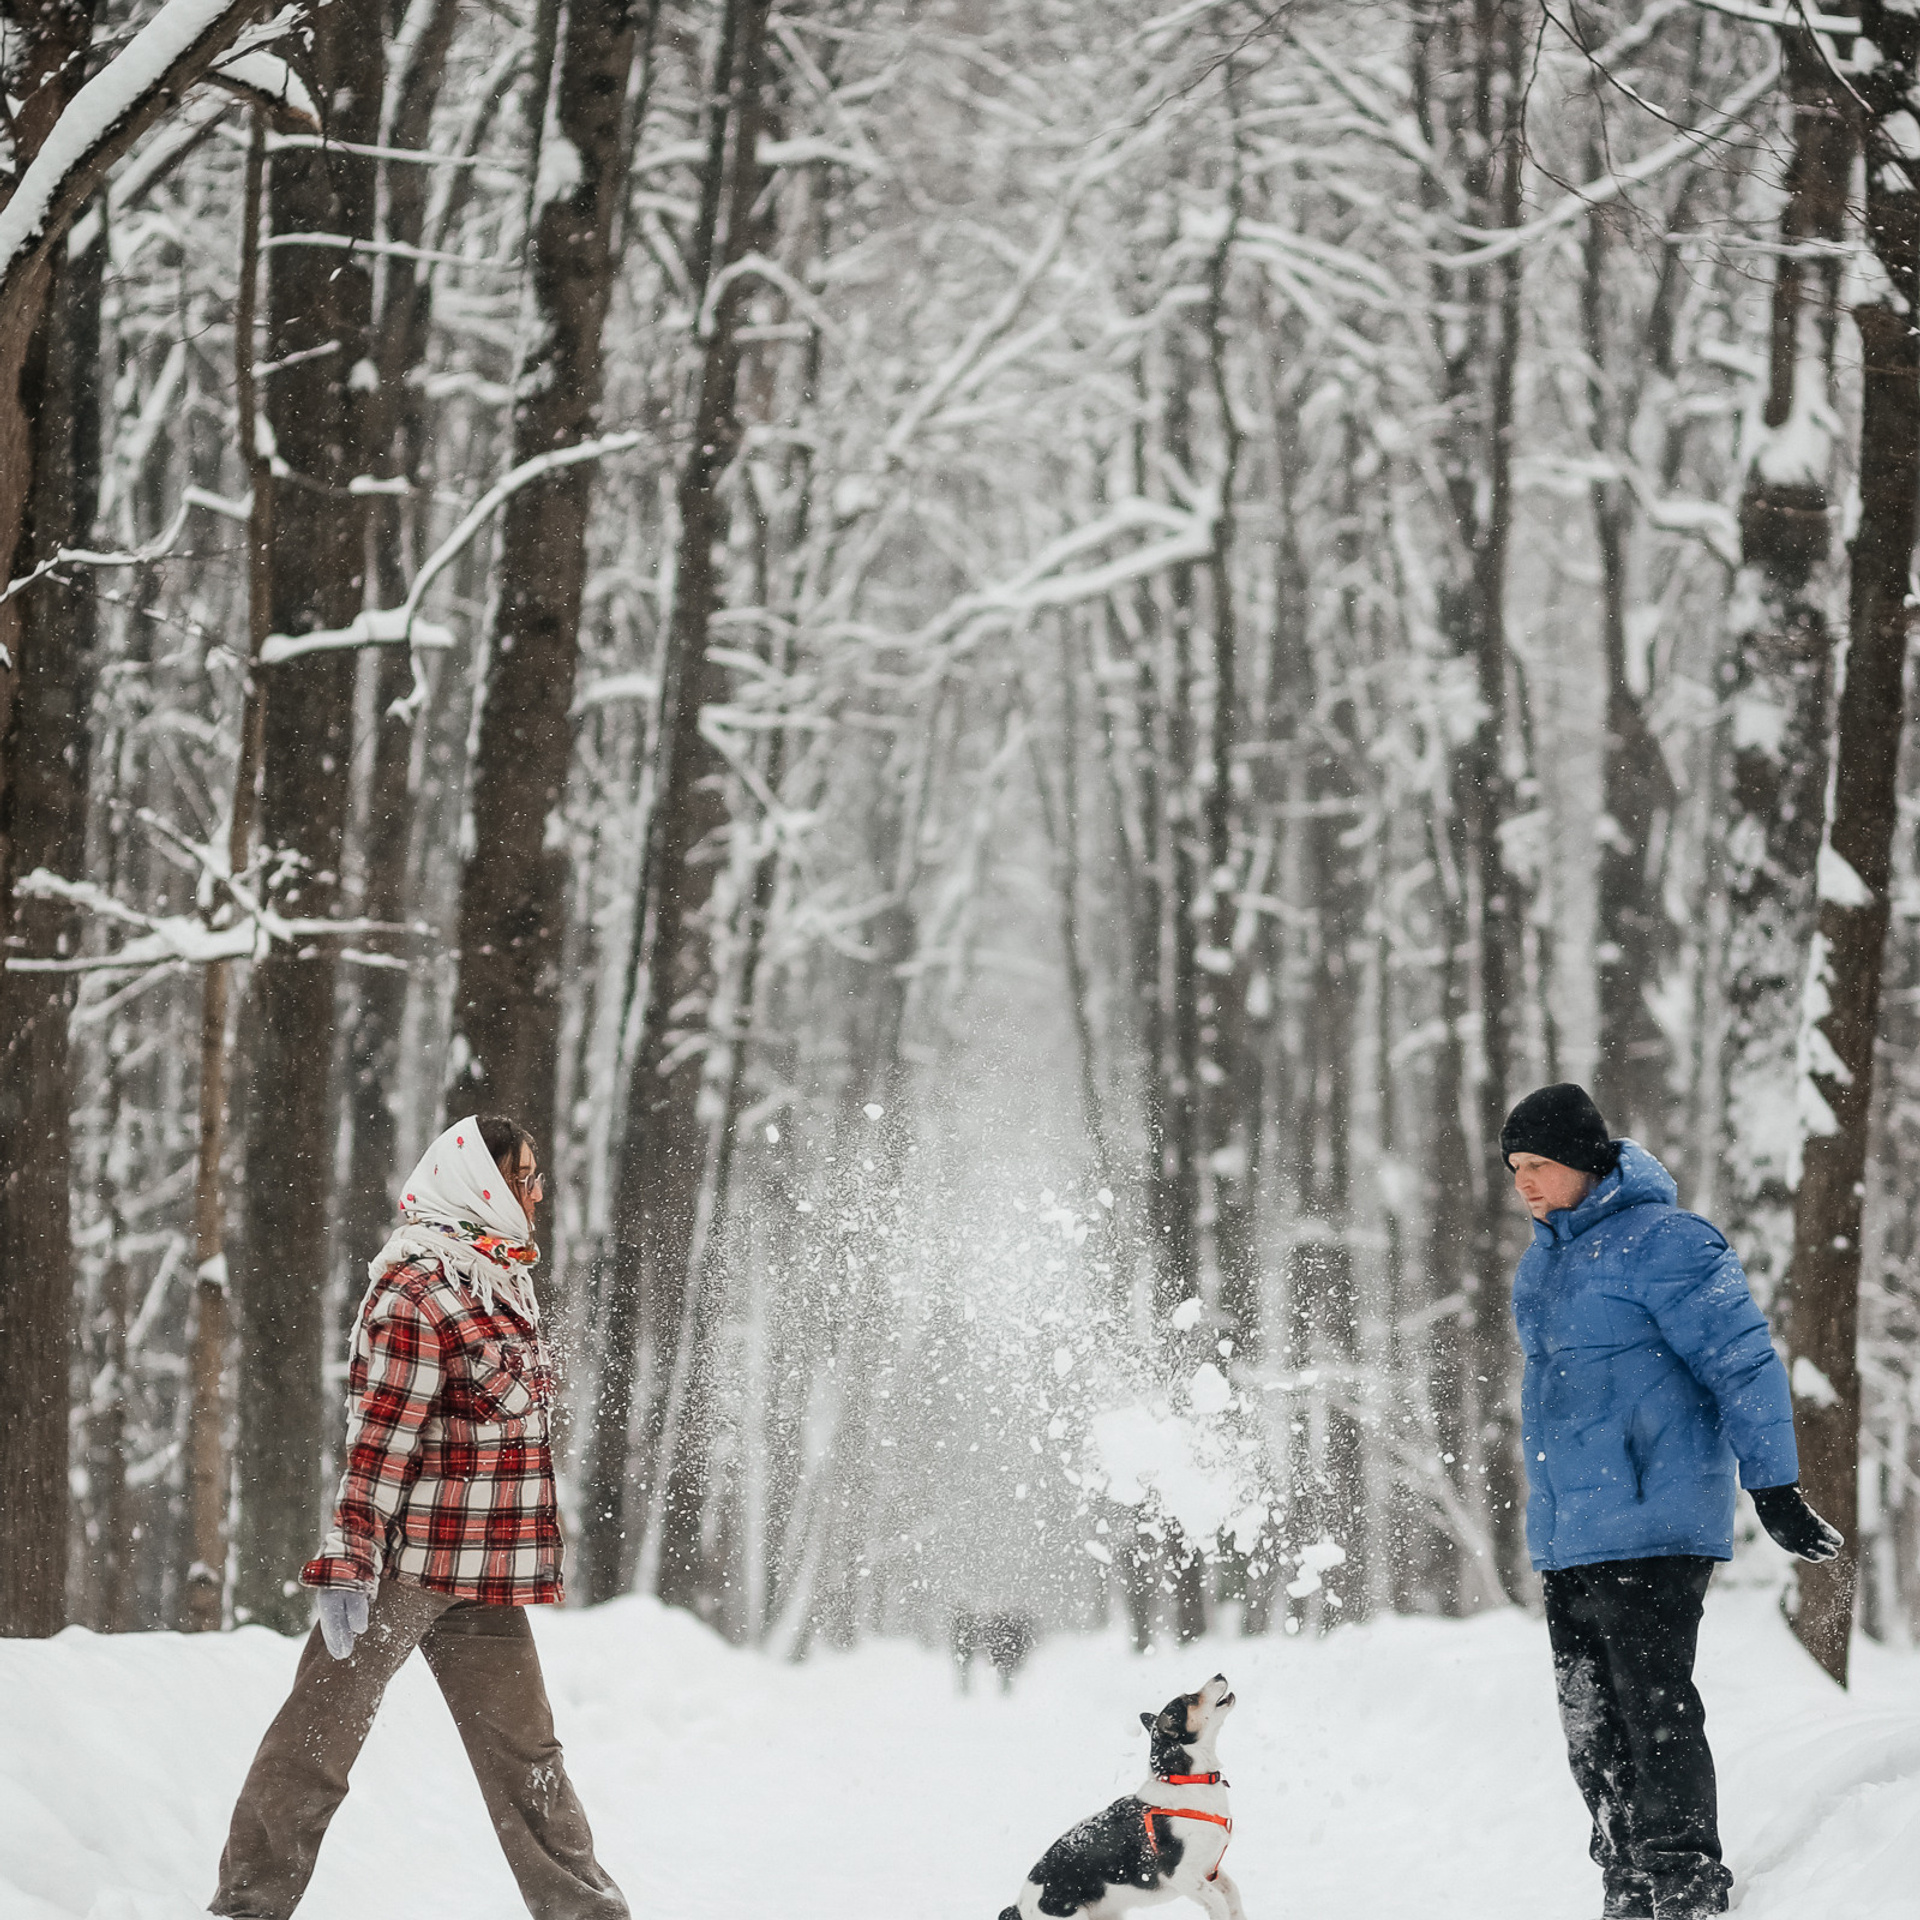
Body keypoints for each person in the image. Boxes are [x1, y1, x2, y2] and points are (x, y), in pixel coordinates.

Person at [209, 1115, 627, 1920]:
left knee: (529, 1759)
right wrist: (350, 1559)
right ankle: (247, 1908)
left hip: (482, 1572)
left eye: (535, 1176)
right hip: (402, 1570)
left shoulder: (496, 1281)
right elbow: (380, 1440)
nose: (536, 1193)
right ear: (479, 1184)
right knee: (316, 1743)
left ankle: (586, 1913)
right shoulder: (416, 1292)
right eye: (521, 1177)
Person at [1502, 1083, 1841, 1920]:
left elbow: (1742, 1361)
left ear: (1583, 1158)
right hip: (1572, 1530)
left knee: (1652, 1709)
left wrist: (1773, 1484)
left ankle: (1686, 1883)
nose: (1525, 1183)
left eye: (1538, 1163)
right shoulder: (1541, 1264)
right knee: (1590, 1722)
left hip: (1656, 1519)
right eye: (1514, 1168)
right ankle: (1627, 1886)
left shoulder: (1669, 1242)